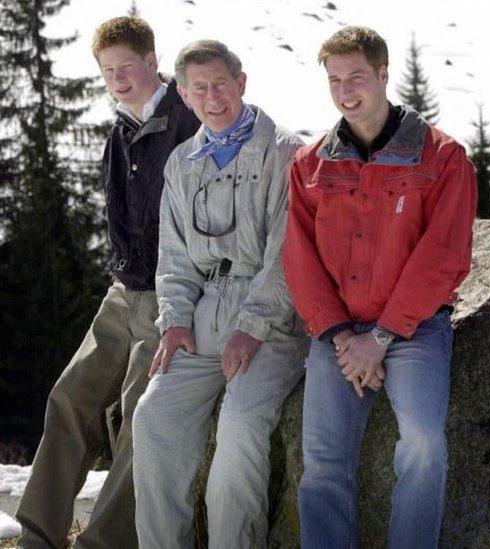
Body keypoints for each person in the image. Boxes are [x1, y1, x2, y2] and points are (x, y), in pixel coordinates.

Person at [283, 26, 477, 549]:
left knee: (421, 442)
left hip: (415, 330)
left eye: (357, 77)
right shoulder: (309, 165)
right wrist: (343, 336)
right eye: (334, 80)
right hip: (339, 335)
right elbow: (298, 258)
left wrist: (383, 336)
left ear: (383, 75)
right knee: (322, 461)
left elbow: (443, 257)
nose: (346, 91)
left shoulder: (443, 157)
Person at [16, 16, 199, 549]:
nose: (118, 78)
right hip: (123, 292)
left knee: (141, 419)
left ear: (151, 61)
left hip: (173, 297)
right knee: (69, 398)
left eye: (127, 66)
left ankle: (102, 544)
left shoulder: (188, 123)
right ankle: (37, 537)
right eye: (107, 70)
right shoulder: (121, 129)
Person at [132, 39, 307, 549]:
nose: (213, 97)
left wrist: (251, 329)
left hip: (271, 321)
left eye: (221, 84)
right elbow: (175, 256)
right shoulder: (181, 162)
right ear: (183, 95)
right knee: (153, 418)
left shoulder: (287, 154)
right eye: (199, 88)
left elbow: (286, 254)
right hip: (204, 314)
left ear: (242, 84)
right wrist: (175, 320)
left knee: (238, 430)